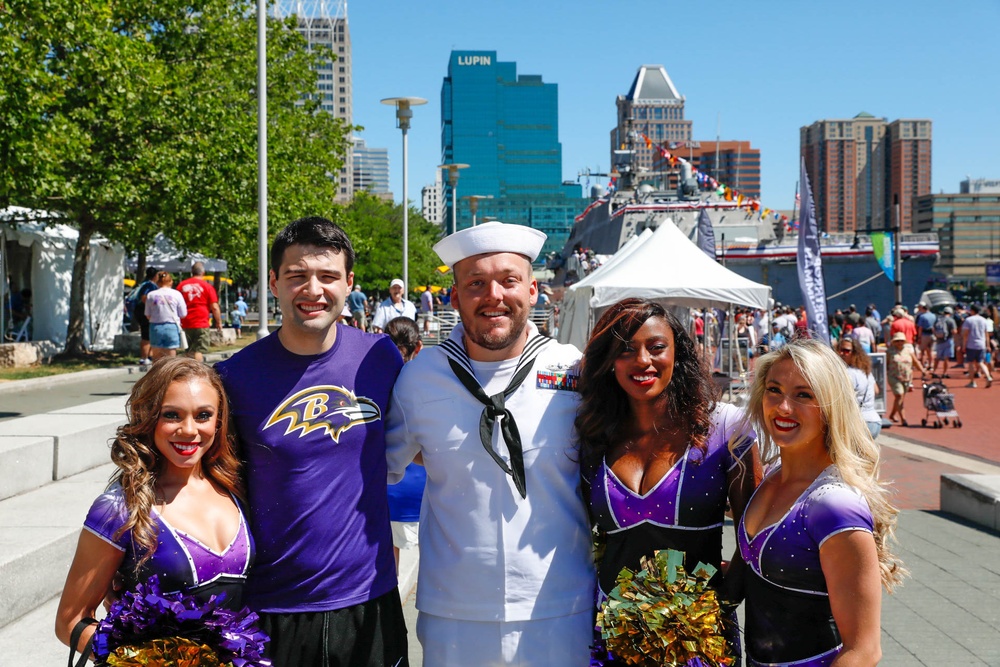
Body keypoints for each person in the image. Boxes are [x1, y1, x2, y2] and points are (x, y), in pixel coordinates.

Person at [385, 221, 596, 666]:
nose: (493, 296)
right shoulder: (419, 378)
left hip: (559, 605)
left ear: (534, 290)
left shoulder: (575, 371)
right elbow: (372, 468)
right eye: (476, 283)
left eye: (508, 280)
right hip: (453, 613)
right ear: (455, 296)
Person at [215, 216, 408, 666]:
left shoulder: (379, 358)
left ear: (349, 283)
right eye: (297, 276)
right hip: (269, 606)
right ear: (274, 282)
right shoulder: (234, 376)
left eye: (327, 276)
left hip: (368, 599)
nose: (313, 289)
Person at [576, 298, 761, 664]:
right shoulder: (592, 435)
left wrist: (721, 604)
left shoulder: (726, 428)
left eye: (656, 347)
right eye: (626, 350)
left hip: (699, 644)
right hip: (615, 641)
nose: (643, 360)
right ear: (609, 361)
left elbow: (753, 535)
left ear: (678, 353)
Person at [55, 358, 253, 653]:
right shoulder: (120, 507)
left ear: (219, 420)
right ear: (149, 417)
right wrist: (137, 661)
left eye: (203, 416)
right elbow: (70, 621)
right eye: (172, 415)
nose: (189, 430)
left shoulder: (237, 488)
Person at [737, 338, 905, 667]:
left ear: (830, 405)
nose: (783, 407)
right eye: (774, 390)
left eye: (804, 395)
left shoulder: (835, 504)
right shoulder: (771, 478)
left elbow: (864, 650)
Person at [383, 316, 427, 573]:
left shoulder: (373, 382)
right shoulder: (428, 383)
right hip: (423, 492)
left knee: (390, 574)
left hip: (387, 491)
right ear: (418, 347)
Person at [177, 262, 223, 363]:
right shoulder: (207, 286)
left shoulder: (181, 285)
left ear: (191, 272)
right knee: (198, 350)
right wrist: (219, 322)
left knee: (188, 350)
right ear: (203, 272)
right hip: (201, 322)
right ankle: (197, 372)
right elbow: (214, 307)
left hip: (185, 322)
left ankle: (187, 372)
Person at [837, 337, 882, 439]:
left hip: (860, 423)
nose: (842, 353)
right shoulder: (865, 371)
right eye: (840, 349)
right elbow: (876, 390)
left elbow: (841, 397)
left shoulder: (848, 373)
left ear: (855, 353)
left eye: (846, 351)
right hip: (874, 422)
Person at [144, 271, 187, 361]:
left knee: (156, 356)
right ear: (170, 281)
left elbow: (147, 314)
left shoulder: (151, 295)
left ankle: (157, 374)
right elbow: (183, 314)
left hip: (155, 326)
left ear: (157, 281)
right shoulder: (176, 294)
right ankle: (170, 374)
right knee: (171, 356)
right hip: (172, 326)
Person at [886, 331, 926, 426]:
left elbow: (915, 362)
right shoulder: (890, 351)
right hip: (894, 377)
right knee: (899, 395)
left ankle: (892, 414)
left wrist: (922, 370)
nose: (900, 343)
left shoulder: (908, 350)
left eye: (901, 341)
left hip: (907, 377)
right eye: (897, 341)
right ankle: (903, 419)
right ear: (894, 342)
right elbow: (885, 363)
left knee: (900, 398)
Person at [131, 267, 159, 366]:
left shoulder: (144, 283)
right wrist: (153, 306)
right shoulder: (150, 285)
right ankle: (144, 357)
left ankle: (149, 355)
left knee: (149, 334)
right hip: (144, 311)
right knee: (146, 335)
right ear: (155, 276)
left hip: (140, 310)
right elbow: (144, 298)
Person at [961, 303, 993, 388]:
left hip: (971, 344)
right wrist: (988, 345)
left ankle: (972, 382)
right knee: (981, 362)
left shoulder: (968, 320)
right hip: (981, 344)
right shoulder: (983, 320)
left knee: (971, 362)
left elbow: (965, 334)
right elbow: (986, 334)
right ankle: (988, 376)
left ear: (972, 311)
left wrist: (964, 345)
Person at [930, 306, 958, 378]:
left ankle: (934, 371)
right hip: (948, 340)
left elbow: (933, 328)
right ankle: (944, 373)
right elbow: (954, 331)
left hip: (939, 341)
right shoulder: (951, 320)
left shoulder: (938, 319)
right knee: (946, 358)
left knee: (937, 358)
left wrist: (936, 335)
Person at [914, 302, 937, 368]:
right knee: (930, 350)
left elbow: (920, 328)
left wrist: (919, 337)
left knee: (922, 350)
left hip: (924, 335)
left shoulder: (922, 316)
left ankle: (922, 364)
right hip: (932, 334)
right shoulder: (933, 315)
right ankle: (930, 364)